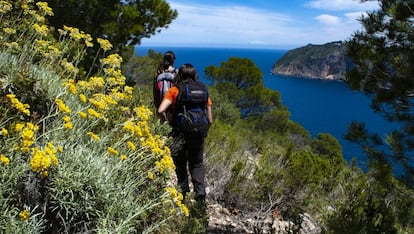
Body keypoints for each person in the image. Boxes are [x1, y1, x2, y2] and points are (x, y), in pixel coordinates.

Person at [158, 64, 213, 202]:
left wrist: (167, 123)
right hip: (199, 132)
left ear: (179, 75)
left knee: (180, 163)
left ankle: (184, 194)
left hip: (179, 132)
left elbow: (160, 110)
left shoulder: (174, 90)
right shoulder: (203, 90)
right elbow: (210, 119)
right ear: (195, 75)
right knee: (197, 164)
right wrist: (203, 130)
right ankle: (200, 194)